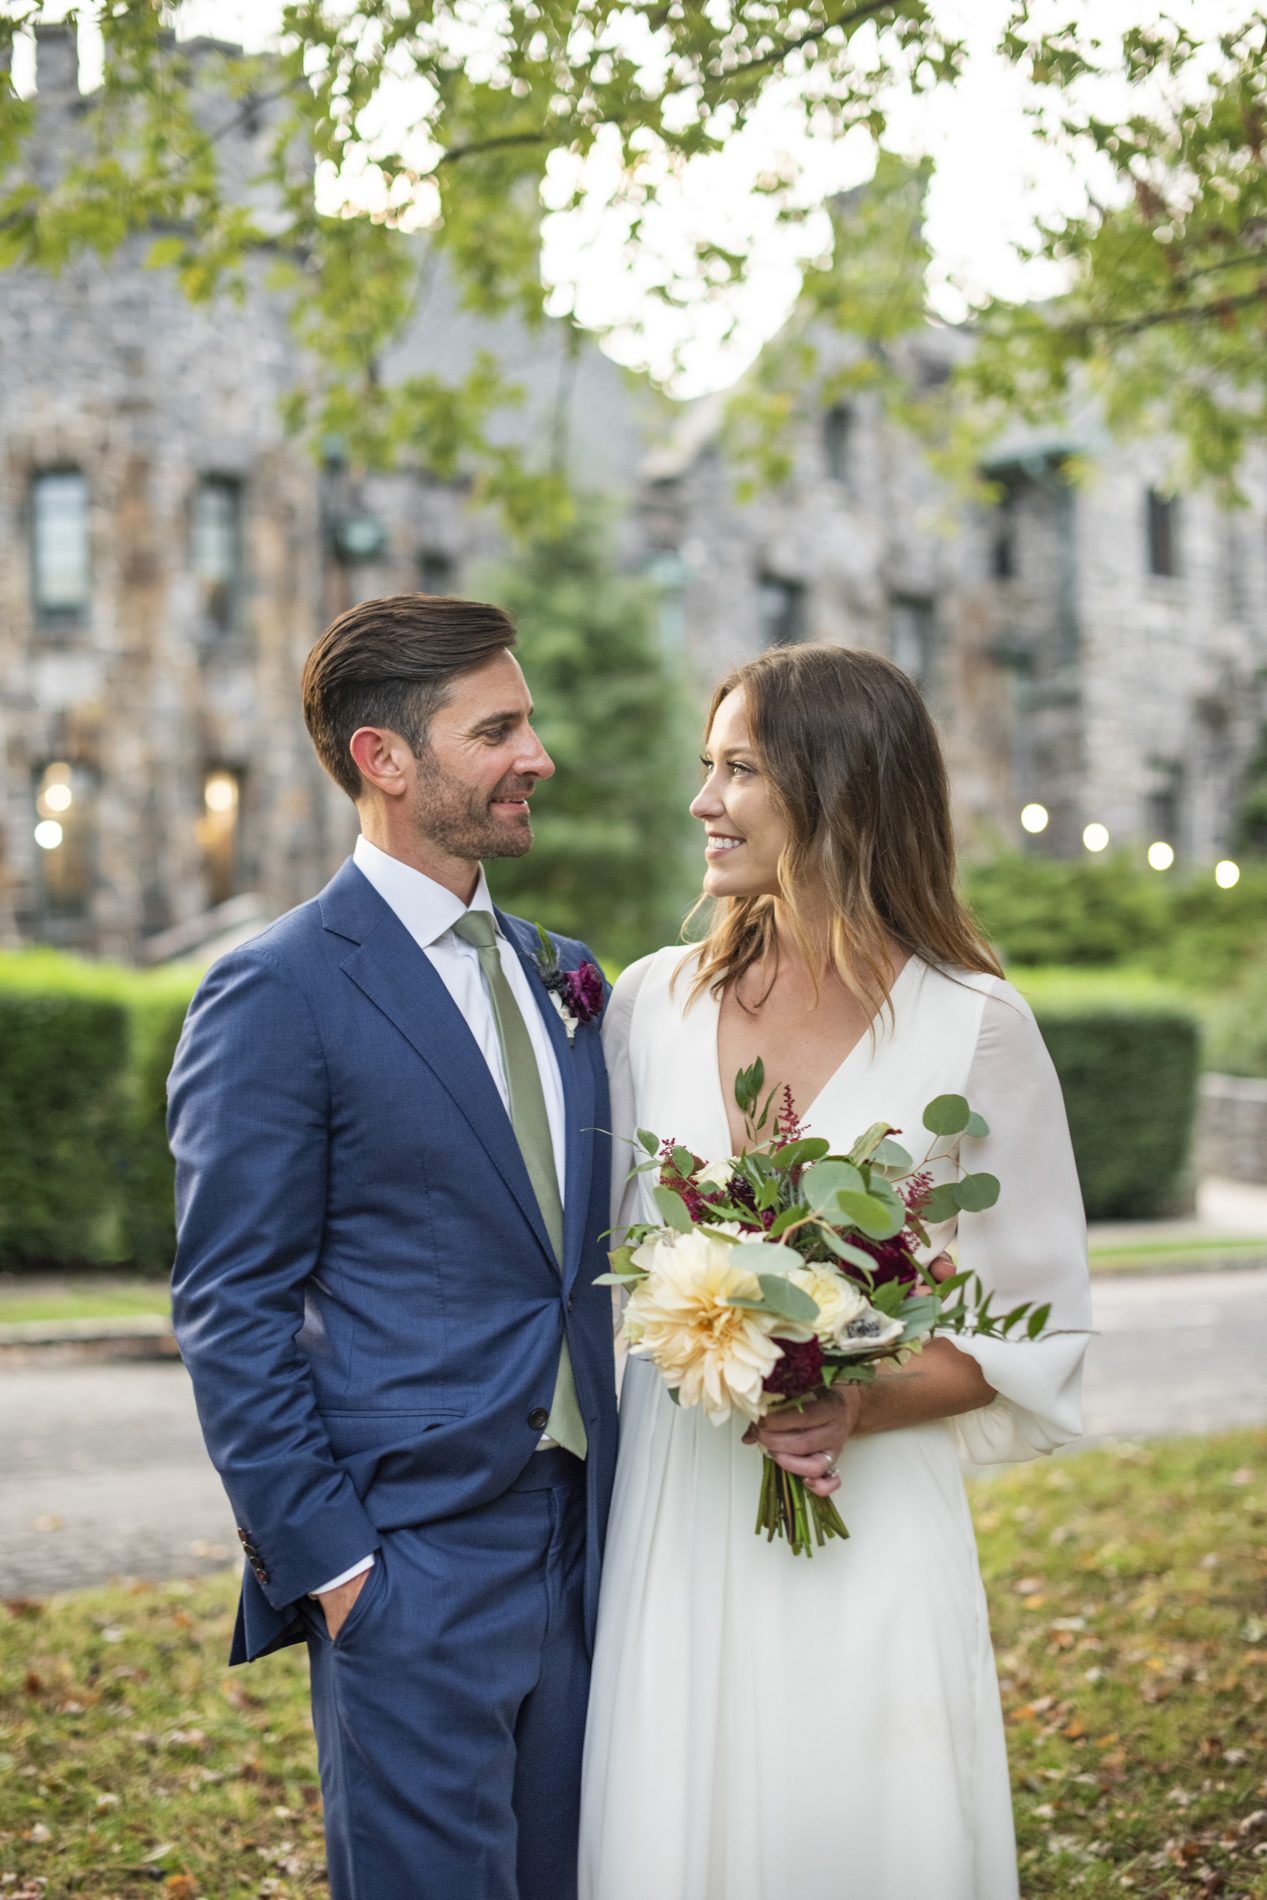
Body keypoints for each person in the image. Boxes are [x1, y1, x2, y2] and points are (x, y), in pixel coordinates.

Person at [579, 643, 1091, 1900]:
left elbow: (1031, 1327)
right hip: (682, 1506)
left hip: (869, 1518)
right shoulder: (650, 1004)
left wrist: (853, 1394)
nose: (703, 799)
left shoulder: (973, 1024)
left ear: (839, 786)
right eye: (706, 767)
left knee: (865, 1824)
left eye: (739, 768)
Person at [168, 594, 617, 1900]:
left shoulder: (568, 976)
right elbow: (229, 1309)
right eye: (500, 728)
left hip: (592, 1554)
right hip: (411, 1572)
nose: (536, 755)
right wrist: (341, 1571)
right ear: (386, 760)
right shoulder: (278, 989)